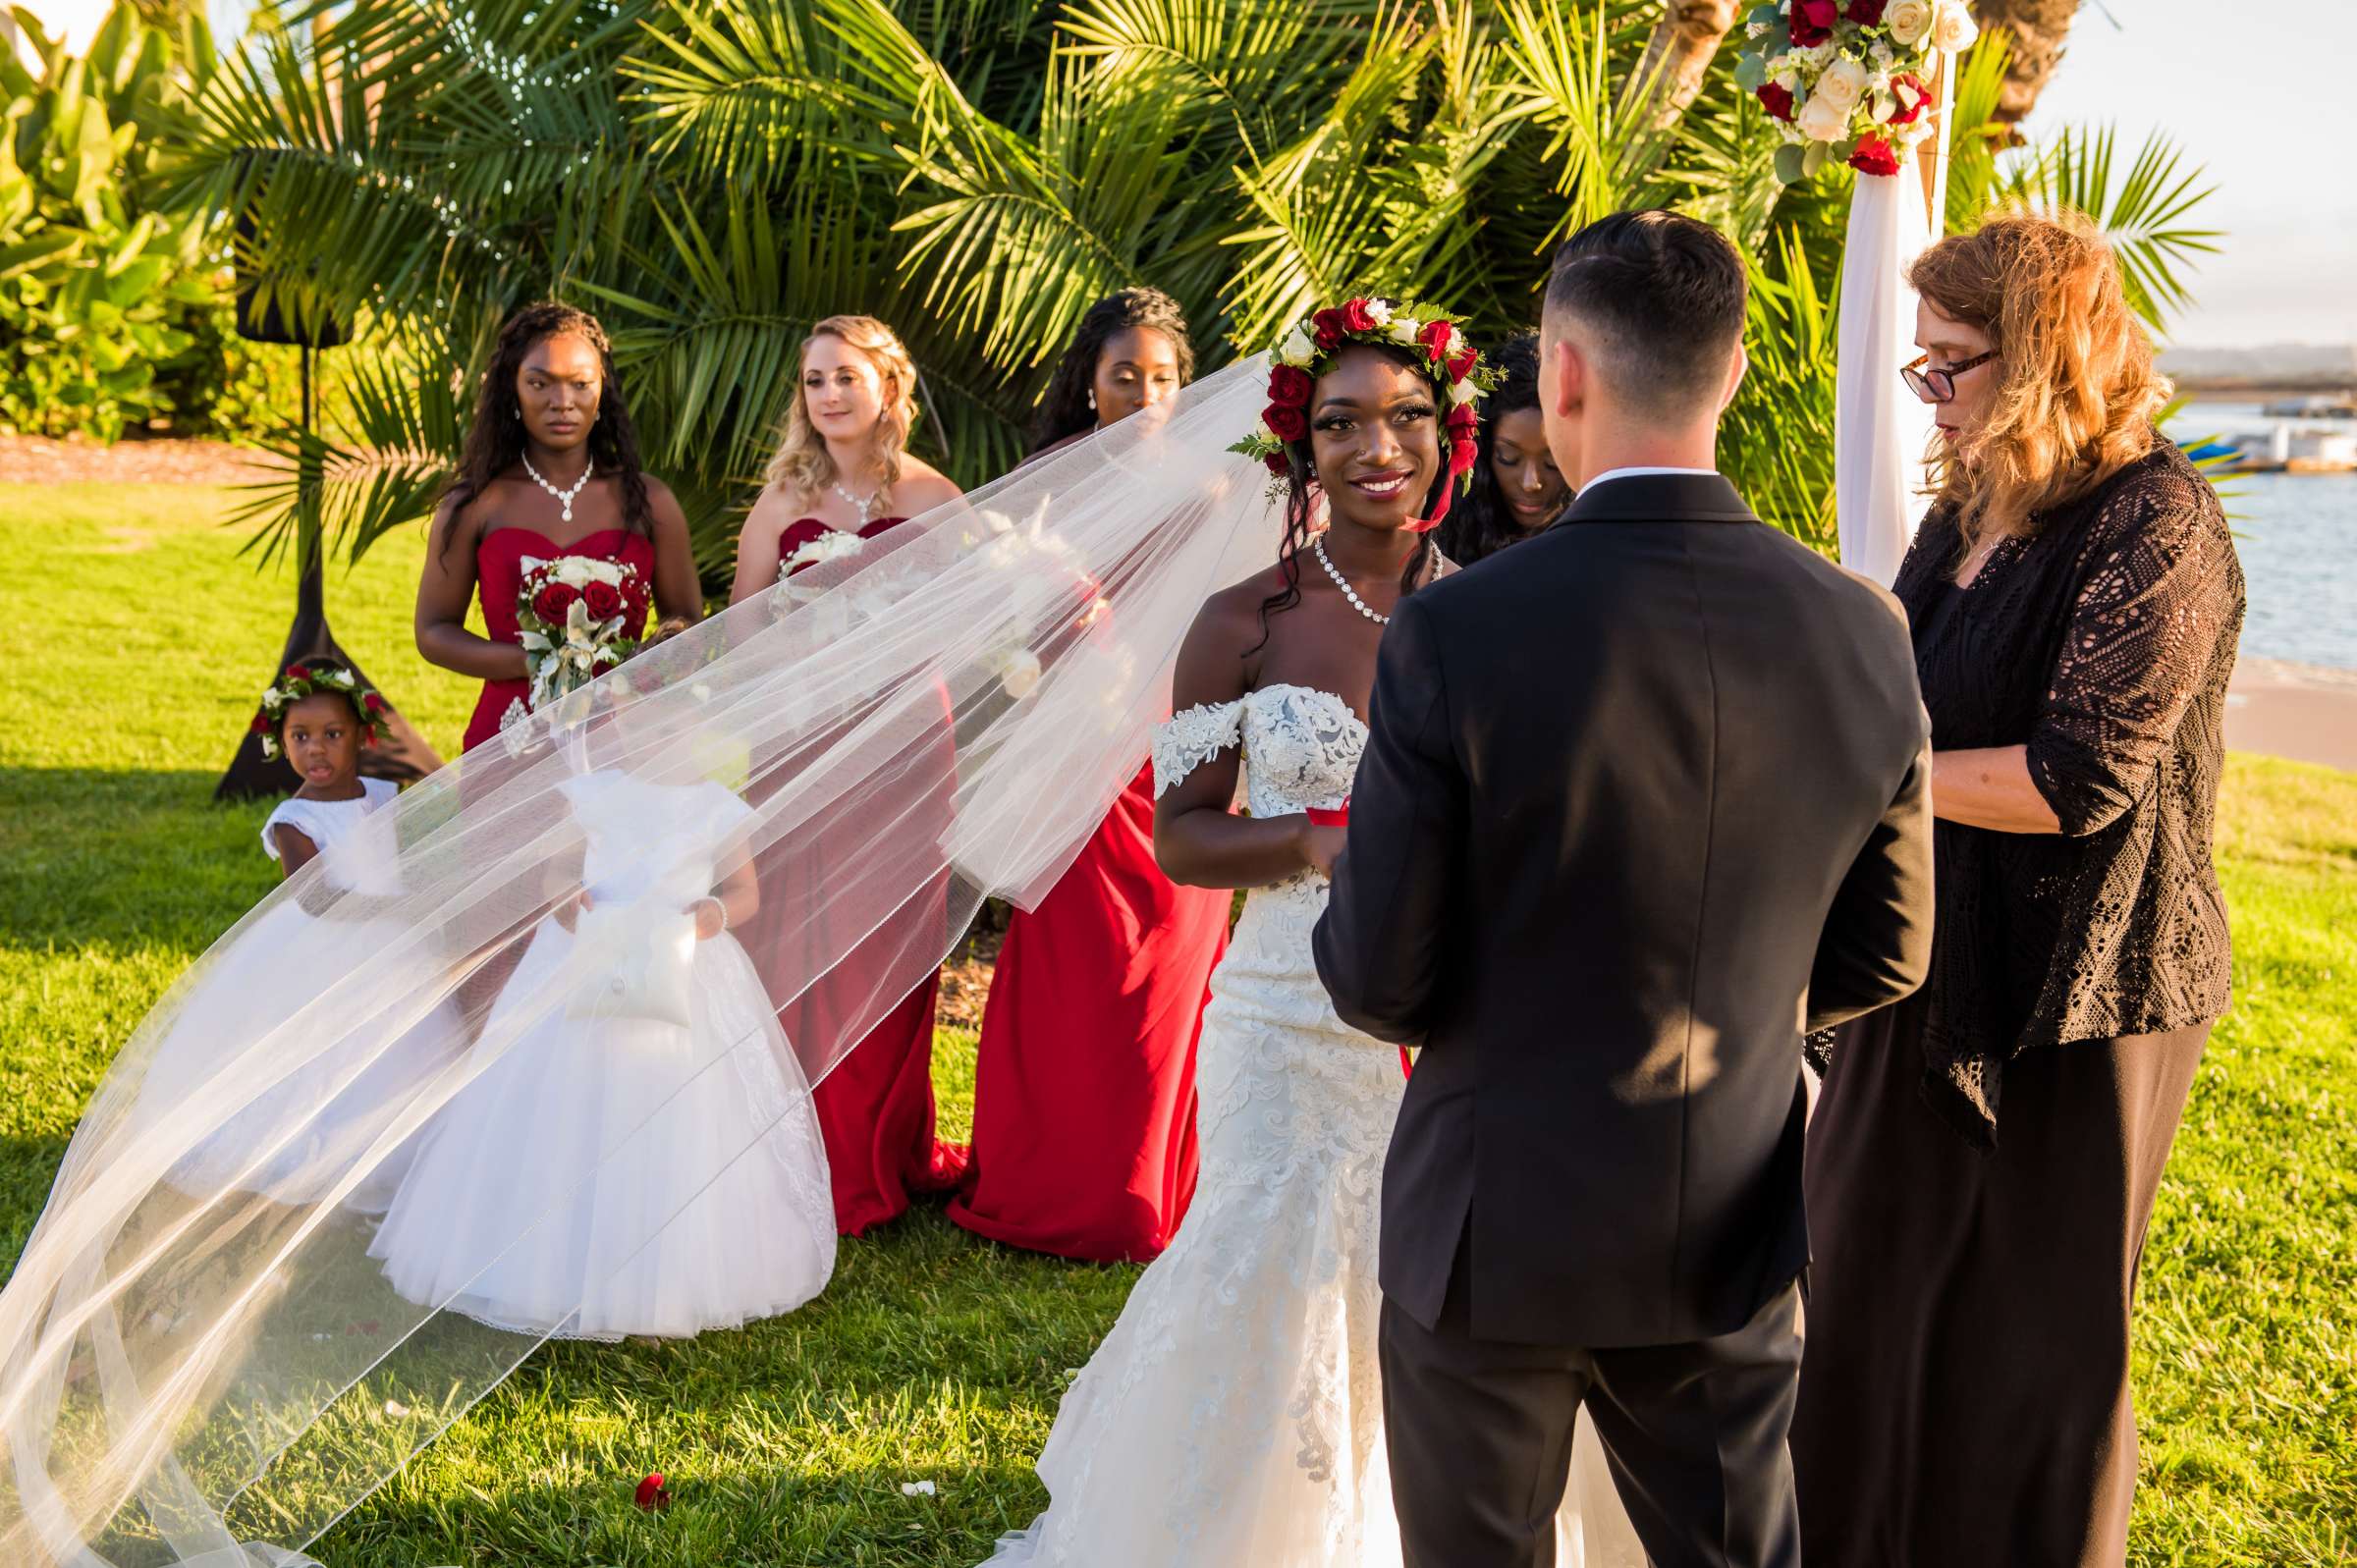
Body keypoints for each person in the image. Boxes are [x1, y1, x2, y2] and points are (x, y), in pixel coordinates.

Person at [1314, 210, 1936, 1568]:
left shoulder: (1456, 628)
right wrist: (1734, 996)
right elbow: (1891, 947)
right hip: (1725, 1214)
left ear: (1566, 375)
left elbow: (1376, 976)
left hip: (1492, 1223)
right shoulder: (1864, 631)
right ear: (1730, 375)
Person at [978, 297, 1643, 1567]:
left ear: (1451, 438)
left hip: (1456, 1034)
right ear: (1300, 447)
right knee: (1269, 1263)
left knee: (1423, 1284)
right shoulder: (1244, 623)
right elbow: (1181, 832)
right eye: (1340, 422)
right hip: (1282, 1013)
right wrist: (1310, 842)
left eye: (1403, 417)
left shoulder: (1505, 613)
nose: (1373, 446)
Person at [1788, 213, 2245, 1568]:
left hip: (2088, 989)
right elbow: (1895, 690)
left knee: (2034, 1346)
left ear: (2046, 355)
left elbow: (2077, 780)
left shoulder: (2159, 523)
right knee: (1858, 1292)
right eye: (1919, 363)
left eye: (1951, 363)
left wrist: (1864, 773)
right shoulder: (1969, 506)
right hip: (1923, 950)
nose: (1929, 390)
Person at [370, 622, 837, 1340]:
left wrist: (712, 913)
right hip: (582, 960)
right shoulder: (593, 792)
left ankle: (665, 1272)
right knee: (560, 1105)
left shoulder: (714, 805)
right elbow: (557, 868)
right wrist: (565, 898)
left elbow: (744, 893)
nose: (654, 736)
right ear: (616, 716)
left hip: (682, 966)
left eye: (674, 722)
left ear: (702, 722)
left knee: (678, 1110)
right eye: (638, 720)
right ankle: (540, 1253)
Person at [949, 289, 1233, 1263]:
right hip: (1072, 754)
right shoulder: (1048, 492)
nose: (1148, 396)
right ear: (1091, 385)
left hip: (1177, 750)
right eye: (1126, 377)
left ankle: (1145, 1185)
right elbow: (1006, 618)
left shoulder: (1216, 493)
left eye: (1164, 379)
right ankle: (1045, 1176)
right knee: (1073, 971)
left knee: (1165, 963)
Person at [727, 314, 967, 1235]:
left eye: (846, 379)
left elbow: (988, 605)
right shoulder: (784, 499)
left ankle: (872, 1146)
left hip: (908, 746)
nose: (828, 395)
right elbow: (742, 628)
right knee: (791, 937)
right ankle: (789, 1142)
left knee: (885, 944)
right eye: (815, 380)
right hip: (799, 741)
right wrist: (799, 669)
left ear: (888, 391)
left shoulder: (936, 493)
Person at [137, 661, 452, 1214]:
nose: (317, 750)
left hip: (396, 944)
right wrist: (398, 908)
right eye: (300, 737)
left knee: (403, 1048)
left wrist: (418, 902)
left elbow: (398, 860)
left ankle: (397, 1152)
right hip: (327, 950)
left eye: (332, 735)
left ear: (362, 735)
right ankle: (316, 1156)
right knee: (328, 1051)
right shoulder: (293, 820)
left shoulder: (384, 793)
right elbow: (317, 899)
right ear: (281, 744)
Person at [416, 302, 701, 754]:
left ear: (602, 389)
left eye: (580, 383)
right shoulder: (473, 504)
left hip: (626, 734)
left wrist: (628, 668)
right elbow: (433, 631)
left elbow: (687, 625)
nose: (562, 401)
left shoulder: (650, 502)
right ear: (512, 389)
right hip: (512, 736)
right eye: (539, 383)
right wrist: (540, 661)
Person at [1434, 330, 1569, 566]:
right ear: (1481, 451)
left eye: (1553, 463)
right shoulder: (1442, 542)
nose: (1531, 483)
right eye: (1508, 458)